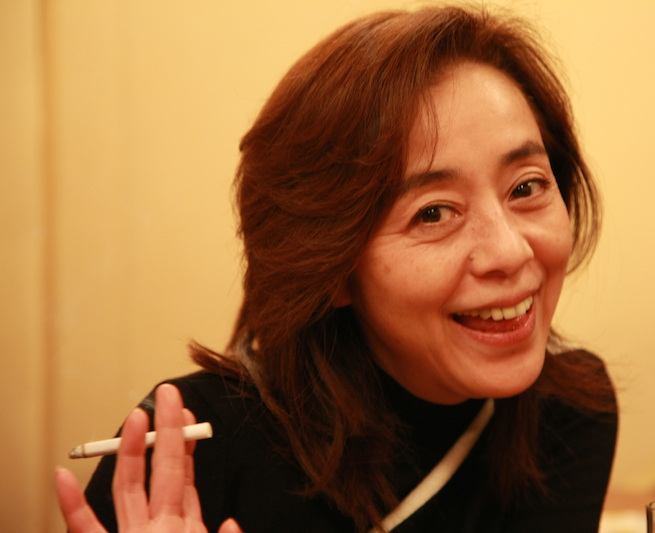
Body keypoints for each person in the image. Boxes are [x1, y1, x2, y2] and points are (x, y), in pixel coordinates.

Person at [56, 5, 617, 533]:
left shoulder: (567, 415)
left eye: (527, 187)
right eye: (433, 213)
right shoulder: (185, 454)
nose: (511, 252)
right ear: (333, 268)